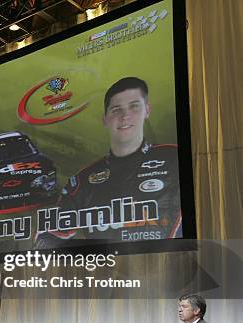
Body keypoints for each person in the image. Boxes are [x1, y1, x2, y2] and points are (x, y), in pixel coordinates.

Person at [35, 77, 182, 245]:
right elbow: (47, 237)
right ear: (105, 119)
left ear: (147, 110)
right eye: (116, 109)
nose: (125, 115)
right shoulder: (82, 181)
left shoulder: (174, 157)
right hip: (103, 269)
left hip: (171, 266)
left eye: (134, 106)